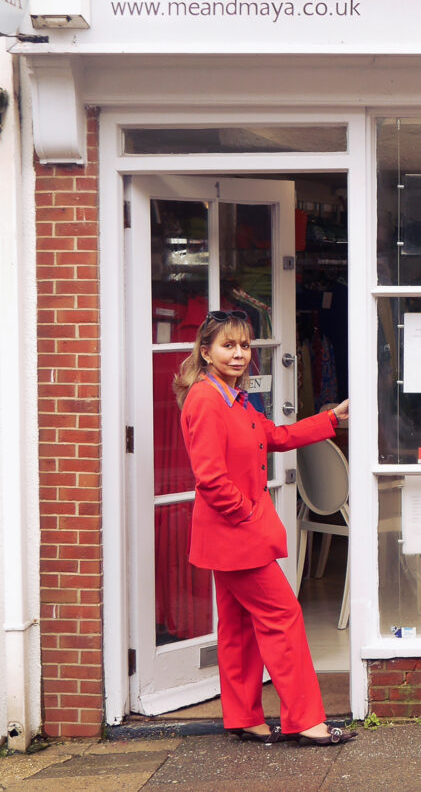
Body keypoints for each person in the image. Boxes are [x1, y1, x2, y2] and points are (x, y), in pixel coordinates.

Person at [174, 309, 355, 746]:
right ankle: (306, 721)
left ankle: (244, 717)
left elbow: (274, 436)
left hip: (231, 537)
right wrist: (249, 517)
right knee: (284, 616)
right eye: (228, 345)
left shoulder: (234, 396)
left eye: (244, 346)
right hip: (236, 535)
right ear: (206, 351)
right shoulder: (205, 399)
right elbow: (211, 479)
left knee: (237, 626)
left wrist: (332, 419)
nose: (239, 354)